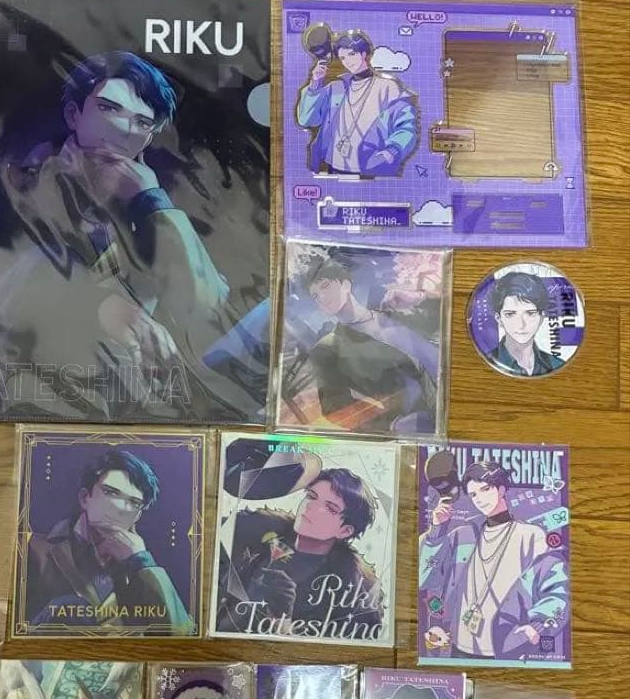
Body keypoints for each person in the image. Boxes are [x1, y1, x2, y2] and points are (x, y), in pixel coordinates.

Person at [0, 51, 248, 421]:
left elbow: (204, 308)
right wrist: (99, 305)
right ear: (74, 114)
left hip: (110, 414)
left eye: (141, 122)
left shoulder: (151, 211)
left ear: (150, 137)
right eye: (108, 108)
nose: (123, 130)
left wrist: (151, 200)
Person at [25, 449, 192, 633]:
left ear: (138, 515)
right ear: (84, 498)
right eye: (110, 492)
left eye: (134, 502)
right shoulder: (34, 548)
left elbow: (181, 634)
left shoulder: (142, 567)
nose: (121, 507)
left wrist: (142, 561)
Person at [419, 459, 569, 659]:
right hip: (456, 646)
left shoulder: (531, 535)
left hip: (507, 648)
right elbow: (427, 579)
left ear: (501, 489)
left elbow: (557, 587)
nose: (479, 499)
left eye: (485, 489)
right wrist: (437, 529)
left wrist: (537, 626)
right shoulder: (463, 535)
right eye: (473, 494)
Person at [216, 467, 383, 639]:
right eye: (311, 496)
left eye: (330, 508)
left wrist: (282, 617)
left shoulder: (349, 592)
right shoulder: (252, 533)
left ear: (345, 531)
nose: (311, 506)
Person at [296, 255, 440, 434]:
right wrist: (392, 424)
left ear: (346, 284)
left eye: (326, 286)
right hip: (425, 418)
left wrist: (420, 297)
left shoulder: (390, 310)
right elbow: (334, 408)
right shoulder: (327, 349)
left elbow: (445, 319)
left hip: (455, 381)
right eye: (316, 296)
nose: (323, 298)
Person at [296, 31, 418, 177]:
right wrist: (315, 83)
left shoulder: (387, 87)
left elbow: (406, 127)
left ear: (364, 54)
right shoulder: (336, 88)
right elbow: (306, 120)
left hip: (372, 168)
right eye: (343, 57)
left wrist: (392, 151)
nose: (347, 61)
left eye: (352, 54)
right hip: (333, 167)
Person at [488, 271, 564, 378]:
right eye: (510, 314)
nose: (521, 324)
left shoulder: (557, 365)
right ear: (499, 319)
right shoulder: (485, 363)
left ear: (541, 317)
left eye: (530, 313)